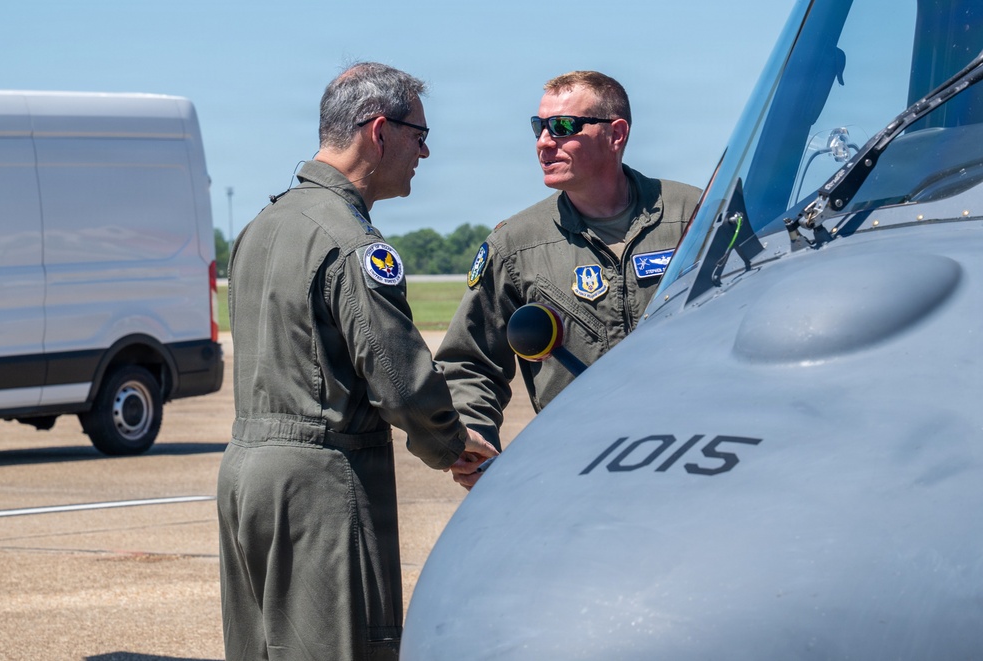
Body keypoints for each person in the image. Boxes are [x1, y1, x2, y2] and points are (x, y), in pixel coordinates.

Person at [216, 62, 497, 661]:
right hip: (320, 484)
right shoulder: (351, 243)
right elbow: (398, 380)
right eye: (420, 135)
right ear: (379, 131)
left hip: (244, 473)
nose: (424, 152)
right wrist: (452, 443)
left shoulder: (260, 227)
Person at [437, 70, 702, 488]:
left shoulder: (697, 217)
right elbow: (470, 361)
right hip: (579, 469)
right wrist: (473, 438)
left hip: (696, 455)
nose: (544, 142)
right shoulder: (516, 244)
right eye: (538, 127)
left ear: (616, 134)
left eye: (562, 127)